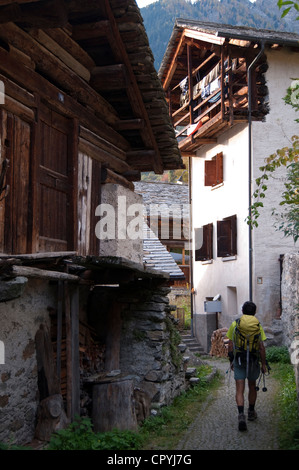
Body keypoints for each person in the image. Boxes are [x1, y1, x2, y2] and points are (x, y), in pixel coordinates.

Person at [226, 301, 267, 431]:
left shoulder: (236, 324)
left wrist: (231, 360)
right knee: (252, 386)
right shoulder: (257, 325)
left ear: (242, 311)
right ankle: (251, 412)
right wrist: (264, 364)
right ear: (254, 312)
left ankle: (241, 415)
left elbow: (230, 344)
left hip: (239, 359)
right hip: (254, 360)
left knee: (239, 388)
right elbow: (261, 347)